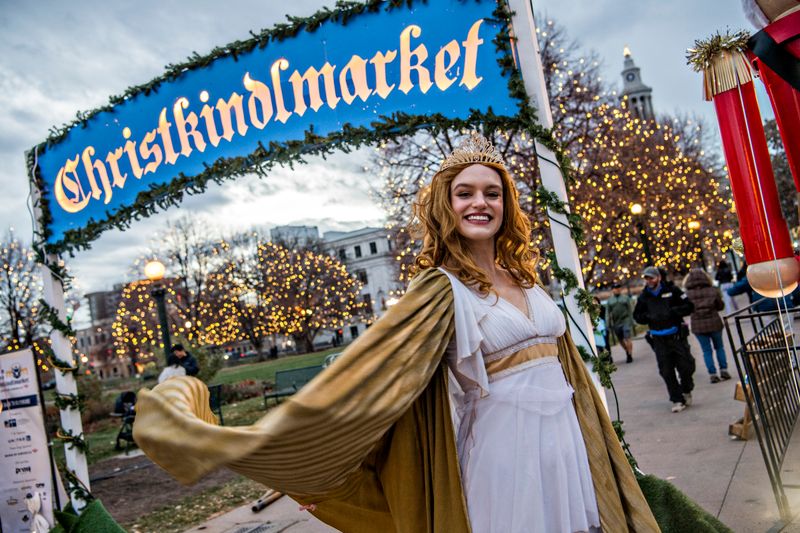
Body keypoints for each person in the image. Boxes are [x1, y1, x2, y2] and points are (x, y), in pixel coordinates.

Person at [134, 134, 727, 533]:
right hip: (502, 452)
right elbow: (363, 379)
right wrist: (280, 444)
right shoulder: (440, 289)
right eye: (465, 193)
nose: (480, 202)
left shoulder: (527, 275)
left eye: (492, 193)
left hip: (567, 445)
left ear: (506, 204)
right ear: (446, 206)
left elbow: (564, 366)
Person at [634, 266, 696, 413]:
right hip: (658, 339)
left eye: (651, 278)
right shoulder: (643, 297)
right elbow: (637, 316)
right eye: (646, 278)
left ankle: (686, 389)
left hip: (676, 337)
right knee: (666, 371)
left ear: (658, 278)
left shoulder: (672, 291)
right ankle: (676, 399)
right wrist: (649, 317)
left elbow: (689, 306)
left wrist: (673, 312)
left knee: (686, 366)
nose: (649, 281)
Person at [684, 269, 731, 383]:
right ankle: (724, 370)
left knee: (706, 351)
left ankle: (712, 373)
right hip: (714, 323)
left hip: (698, 326)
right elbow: (720, 306)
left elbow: (686, 309)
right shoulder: (713, 290)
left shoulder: (687, 294)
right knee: (719, 347)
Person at [606, 282, 635, 363]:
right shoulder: (610, 301)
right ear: (612, 290)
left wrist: (632, 321)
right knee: (620, 340)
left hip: (625, 320)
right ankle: (627, 350)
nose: (617, 290)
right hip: (616, 322)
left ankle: (630, 355)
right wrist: (607, 324)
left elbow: (630, 310)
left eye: (618, 288)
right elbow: (607, 313)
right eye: (615, 288)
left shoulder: (625, 298)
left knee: (627, 338)